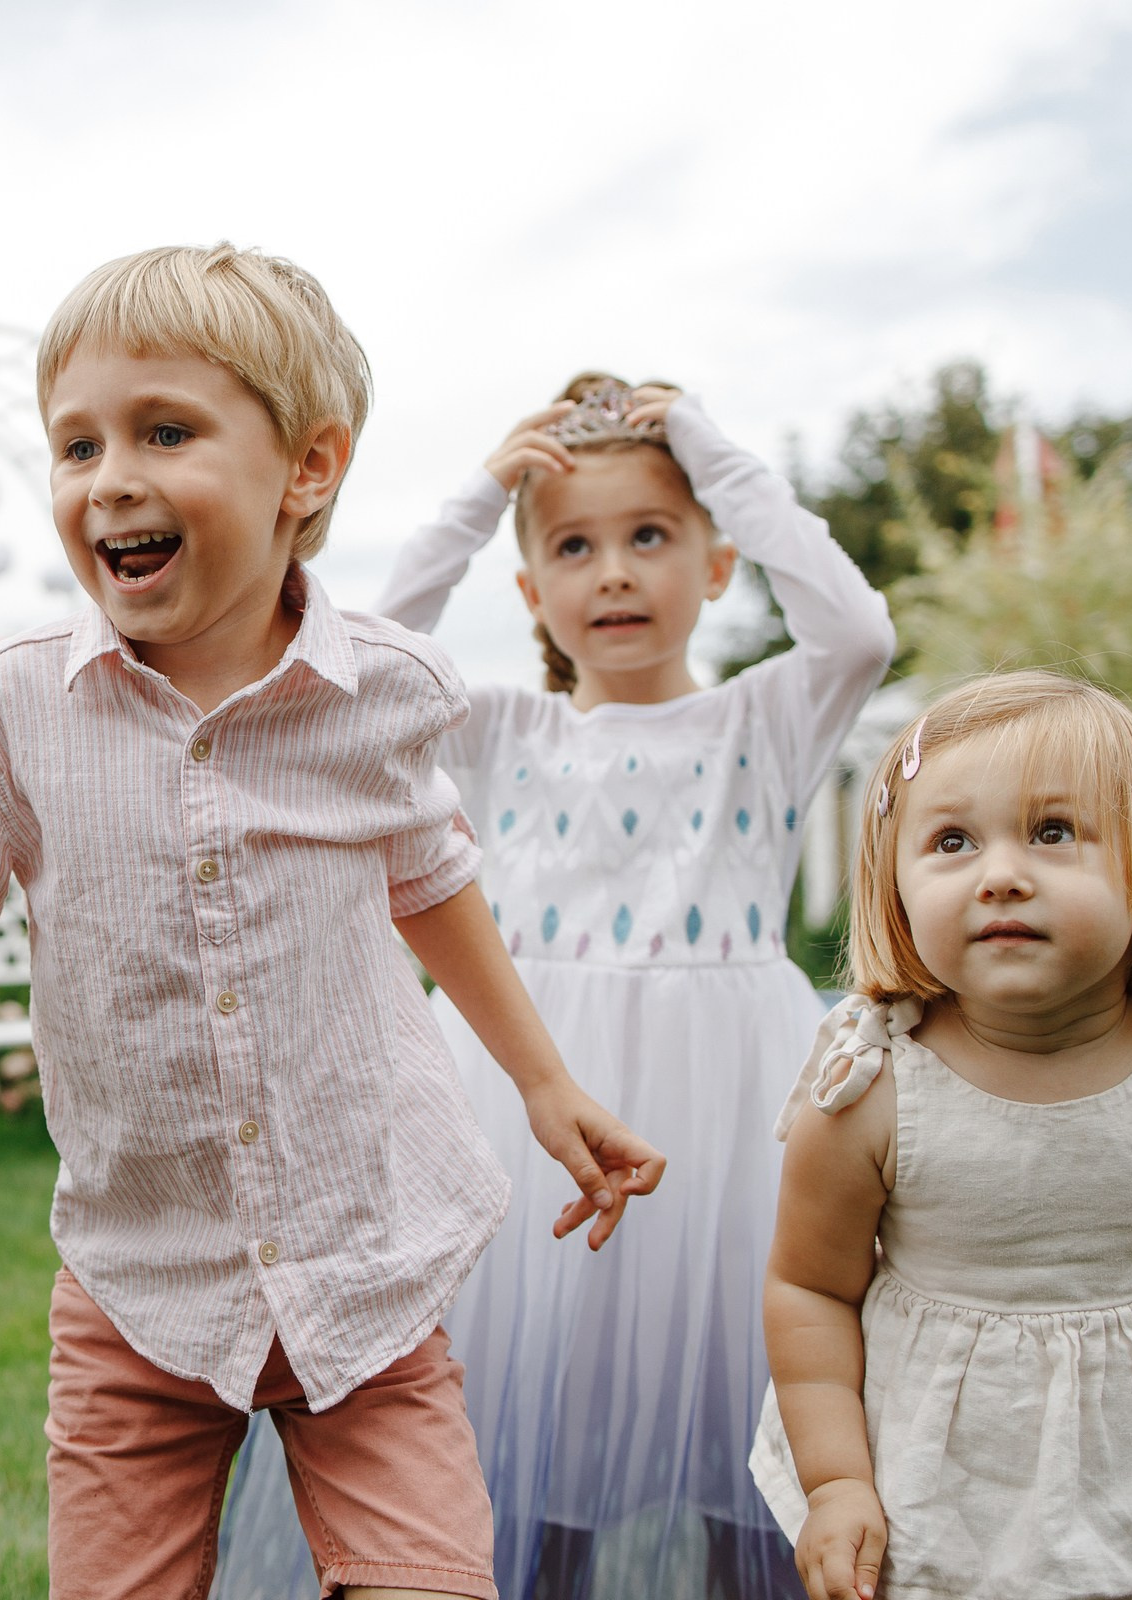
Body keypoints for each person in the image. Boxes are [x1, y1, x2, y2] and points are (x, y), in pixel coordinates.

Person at [0, 245, 666, 1600]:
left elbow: (430, 877)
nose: (110, 478)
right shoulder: (17, 709)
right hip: (140, 1286)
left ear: (308, 468)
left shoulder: (381, 692)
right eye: (76, 446)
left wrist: (545, 1088)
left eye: (165, 431)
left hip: (366, 1260)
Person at [220, 375, 894, 1600]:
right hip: (532, 1102)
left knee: (751, 1430)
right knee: (530, 1425)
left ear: (718, 564)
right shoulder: (500, 729)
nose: (616, 573)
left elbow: (859, 631)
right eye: (575, 548)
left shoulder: (771, 718)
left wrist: (701, 441)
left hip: (730, 1120)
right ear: (530, 592)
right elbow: (348, 657)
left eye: (652, 536)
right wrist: (479, 500)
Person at [754, 671, 1132, 1600]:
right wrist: (838, 1482)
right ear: (894, 887)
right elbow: (809, 1289)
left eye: (1053, 832)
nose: (1003, 873)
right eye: (951, 842)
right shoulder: (870, 1091)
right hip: (953, 1488)